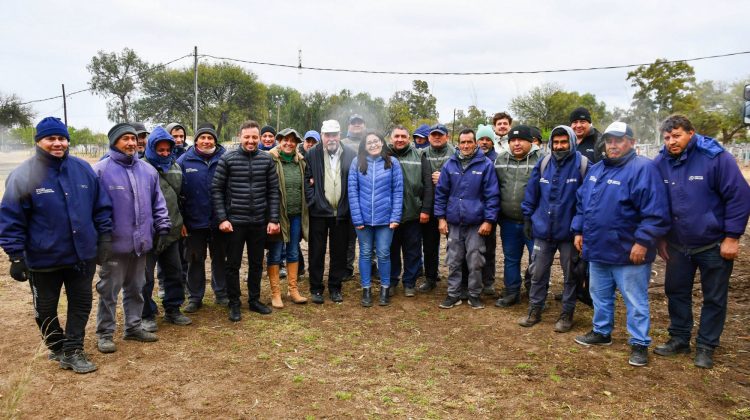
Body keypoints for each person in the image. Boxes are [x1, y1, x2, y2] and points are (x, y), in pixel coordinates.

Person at [0, 117, 112, 373]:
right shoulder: (23, 175)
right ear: (39, 141)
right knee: (45, 308)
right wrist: (15, 256)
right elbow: (11, 217)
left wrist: (104, 238)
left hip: (81, 255)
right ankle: (57, 346)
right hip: (43, 258)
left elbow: (101, 207)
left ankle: (73, 349)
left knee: (81, 303)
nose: (58, 143)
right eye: (51, 138)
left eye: (62, 138)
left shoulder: (83, 170)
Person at [652, 115, 750, 369]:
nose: (671, 142)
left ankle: (706, 345)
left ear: (691, 133)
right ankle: (680, 337)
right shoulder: (661, 162)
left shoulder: (716, 158)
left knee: (714, 297)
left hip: (713, 244)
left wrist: (731, 237)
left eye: (677, 136)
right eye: (667, 137)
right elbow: (656, 202)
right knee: (676, 292)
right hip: (677, 244)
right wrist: (661, 237)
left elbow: (738, 197)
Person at [572, 122, 670, 367]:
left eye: (619, 140)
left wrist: (643, 242)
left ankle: (639, 343)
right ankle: (601, 332)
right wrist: (578, 230)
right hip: (598, 248)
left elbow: (655, 212)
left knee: (635, 300)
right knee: (600, 294)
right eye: (609, 140)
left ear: (632, 142)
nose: (613, 145)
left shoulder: (643, 169)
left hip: (629, 251)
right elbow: (582, 204)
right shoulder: (596, 170)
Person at [93, 123, 171, 354]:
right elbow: (93, 209)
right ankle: (105, 333)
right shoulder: (100, 171)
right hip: (114, 246)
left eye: (133, 139)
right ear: (114, 142)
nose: (131, 143)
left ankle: (133, 326)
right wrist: (101, 239)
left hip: (141, 244)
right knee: (108, 291)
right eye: (125, 139)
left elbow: (159, 203)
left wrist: (162, 228)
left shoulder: (147, 171)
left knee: (137, 288)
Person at [518, 125, 588, 332]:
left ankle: (567, 314)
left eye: (563, 142)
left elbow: (585, 201)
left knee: (571, 275)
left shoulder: (583, 165)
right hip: (542, 230)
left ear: (572, 142)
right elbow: (532, 193)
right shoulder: (544, 163)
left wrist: (579, 229)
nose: (559, 146)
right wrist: (528, 218)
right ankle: (534, 309)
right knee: (537, 273)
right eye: (555, 142)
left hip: (569, 232)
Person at [212, 120, 280, 322]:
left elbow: (273, 192)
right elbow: (216, 190)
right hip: (235, 222)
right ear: (240, 137)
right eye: (247, 137)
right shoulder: (228, 159)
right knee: (232, 265)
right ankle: (234, 303)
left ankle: (254, 299)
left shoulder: (267, 160)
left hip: (259, 221)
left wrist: (273, 218)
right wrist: (222, 218)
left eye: (254, 137)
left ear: (259, 138)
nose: (251, 141)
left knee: (256, 264)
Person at [434, 128, 500, 309]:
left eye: (469, 142)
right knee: (453, 259)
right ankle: (453, 294)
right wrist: (440, 218)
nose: (465, 145)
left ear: (475, 143)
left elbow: (492, 196)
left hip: (476, 223)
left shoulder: (485, 165)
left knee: (475, 260)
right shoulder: (450, 165)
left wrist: (488, 220)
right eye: (462, 142)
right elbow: (441, 194)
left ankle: (474, 294)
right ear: (458, 143)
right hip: (454, 222)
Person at [140, 127, 192, 331]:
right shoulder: (140, 168)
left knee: (175, 272)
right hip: (147, 233)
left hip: (172, 230)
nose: (163, 153)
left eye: (166, 150)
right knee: (145, 277)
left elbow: (181, 198)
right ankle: (145, 314)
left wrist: (183, 223)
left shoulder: (176, 168)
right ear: (151, 148)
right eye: (159, 150)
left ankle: (173, 309)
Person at [178, 123, 229, 312]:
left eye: (210, 138)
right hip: (193, 222)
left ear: (215, 140)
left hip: (219, 221)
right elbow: (178, 193)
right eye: (203, 138)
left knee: (220, 258)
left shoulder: (225, 158)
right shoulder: (184, 161)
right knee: (194, 259)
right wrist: (182, 220)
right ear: (196, 140)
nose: (206, 141)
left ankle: (221, 293)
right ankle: (195, 297)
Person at [304, 119, 356, 304]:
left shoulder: (350, 154)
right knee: (316, 252)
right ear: (322, 136)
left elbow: (355, 180)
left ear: (340, 135)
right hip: (319, 212)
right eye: (327, 135)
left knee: (339, 253)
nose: (331, 138)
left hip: (341, 212)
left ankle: (335, 287)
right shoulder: (312, 154)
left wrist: (348, 205)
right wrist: (313, 200)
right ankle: (316, 288)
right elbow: (307, 179)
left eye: (334, 134)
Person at [349, 131, 404, 306]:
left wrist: (395, 216)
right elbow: (353, 192)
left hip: (385, 220)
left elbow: (398, 192)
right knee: (365, 254)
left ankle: (385, 289)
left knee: (383, 253)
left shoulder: (392, 163)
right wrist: (357, 218)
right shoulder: (357, 163)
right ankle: (366, 290)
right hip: (363, 220)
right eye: (369, 142)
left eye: (376, 141)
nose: (373, 145)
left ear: (382, 143)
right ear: (364, 146)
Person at [494, 125, 543, 307]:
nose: (516, 144)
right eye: (512, 140)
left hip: (534, 222)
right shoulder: (501, 159)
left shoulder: (543, 160)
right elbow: (494, 187)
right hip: (508, 221)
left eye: (520, 140)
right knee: (511, 258)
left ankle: (536, 294)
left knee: (537, 259)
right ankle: (512, 292)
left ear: (530, 142)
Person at [266, 128, 310, 308]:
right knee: (275, 252)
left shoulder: (301, 162)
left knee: (293, 250)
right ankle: (275, 293)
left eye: (293, 141)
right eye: (285, 140)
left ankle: (293, 289)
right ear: (279, 141)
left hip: (296, 215)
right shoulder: (270, 160)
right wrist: (271, 217)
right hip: (278, 216)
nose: (289, 143)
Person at [388, 125, 433, 297]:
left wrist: (426, 209)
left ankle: (409, 282)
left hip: (414, 212)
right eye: (396, 136)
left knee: (412, 250)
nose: (400, 139)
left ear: (409, 139)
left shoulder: (420, 155)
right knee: (391, 250)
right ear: (391, 138)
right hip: (390, 213)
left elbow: (428, 185)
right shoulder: (385, 155)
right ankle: (392, 281)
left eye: (403, 136)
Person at [417, 124, 455, 292]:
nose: (437, 137)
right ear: (429, 137)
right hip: (429, 207)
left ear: (447, 136)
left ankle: (457, 279)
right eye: (434, 135)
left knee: (455, 246)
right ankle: (431, 278)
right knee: (430, 246)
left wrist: (445, 177)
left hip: (452, 207)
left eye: (440, 135)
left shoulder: (455, 153)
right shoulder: (421, 153)